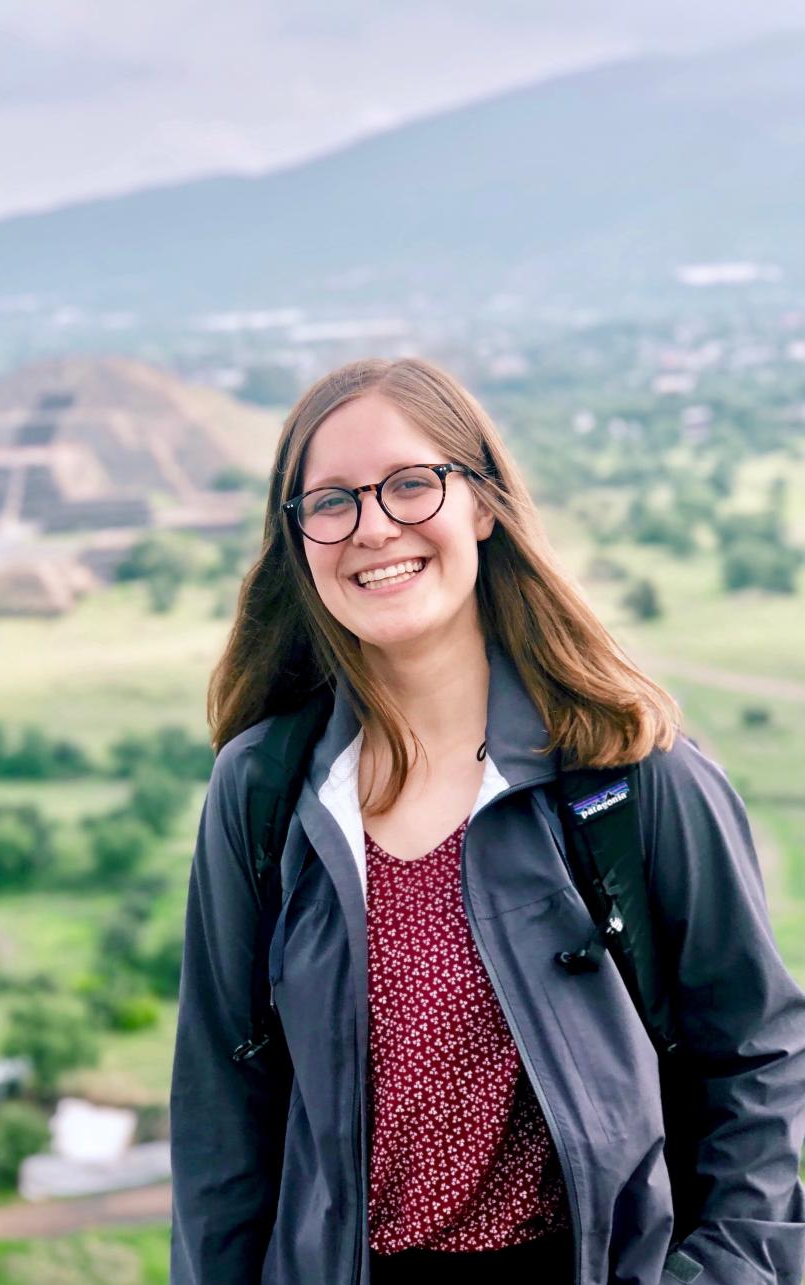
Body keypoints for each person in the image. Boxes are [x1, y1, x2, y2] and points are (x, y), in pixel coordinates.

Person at [169, 356, 805, 1284]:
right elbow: (222, 1115)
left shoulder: (627, 774)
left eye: (411, 484)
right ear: (299, 537)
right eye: (332, 500)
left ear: (482, 503)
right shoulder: (264, 791)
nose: (373, 525)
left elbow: (758, 1057)